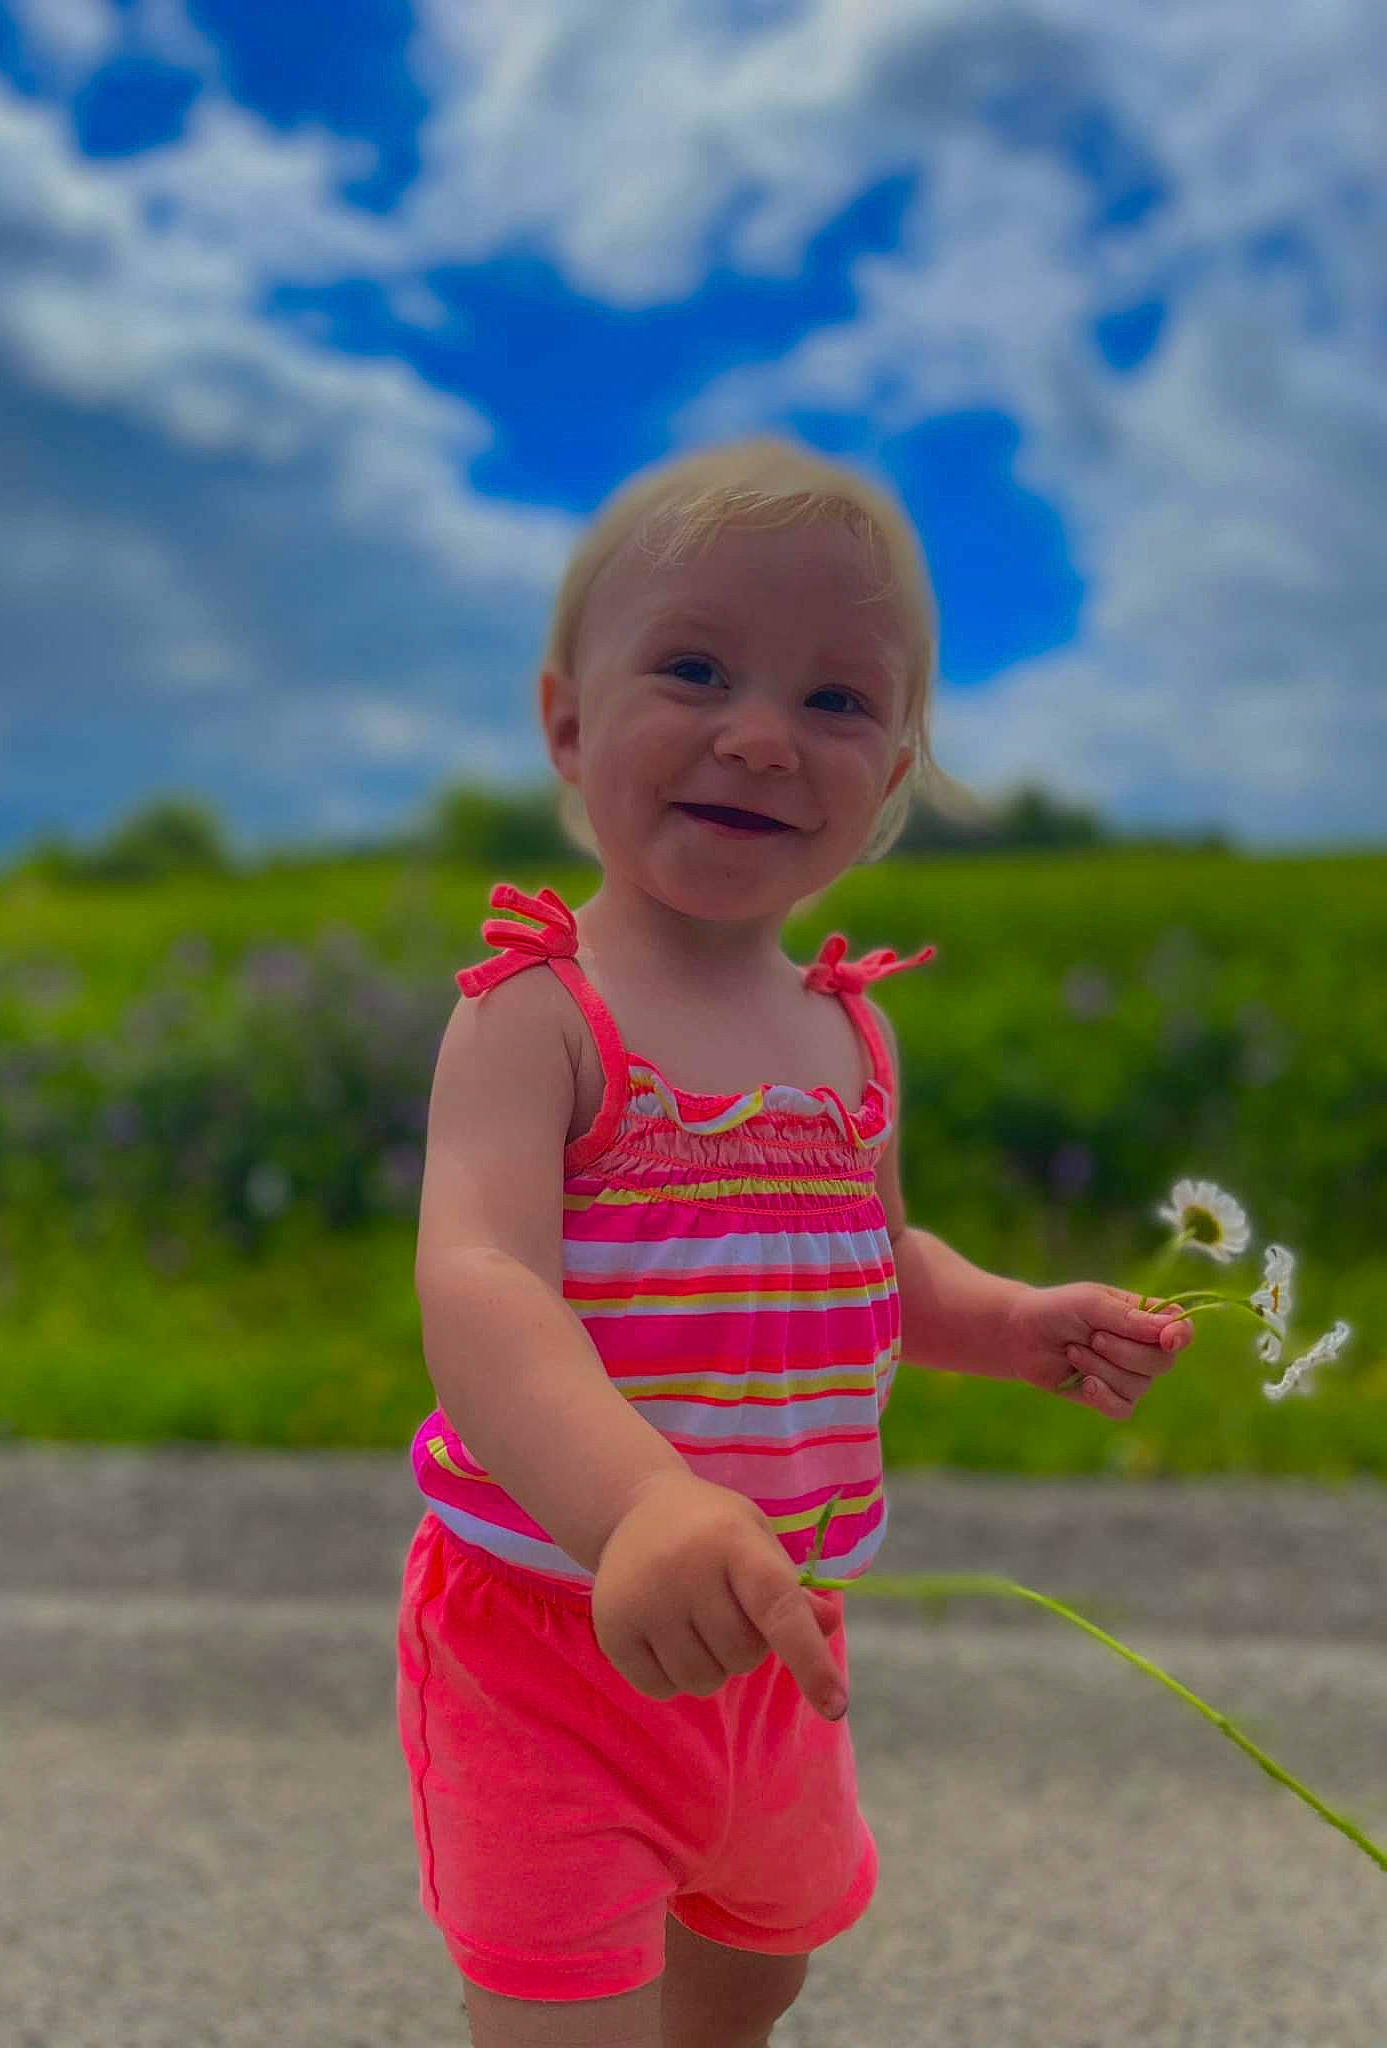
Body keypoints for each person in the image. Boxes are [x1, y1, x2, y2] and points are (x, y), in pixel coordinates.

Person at [394, 435, 1194, 2047]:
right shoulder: (541, 1012)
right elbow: (480, 1281)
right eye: (694, 668)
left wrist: (1009, 1317)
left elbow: (868, 1258)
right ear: (566, 719)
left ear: (891, 775)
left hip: (774, 1623)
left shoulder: (847, 1037)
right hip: (553, 1624)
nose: (760, 737)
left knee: (760, 1951)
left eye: (837, 701)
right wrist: (638, 1506)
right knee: (566, 1999)